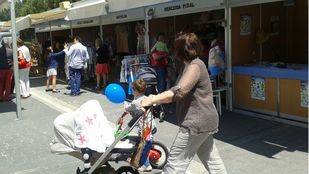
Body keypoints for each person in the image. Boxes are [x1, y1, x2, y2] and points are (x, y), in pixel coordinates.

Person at [141, 33, 227, 174]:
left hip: (195, 124)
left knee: (174, 164)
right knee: (212, 161)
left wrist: (152, 99)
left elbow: (178, 92)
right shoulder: (190, 65)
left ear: (179, 51)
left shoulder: (195, 66)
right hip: (205, 122)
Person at [124, 79, 156, 172]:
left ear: (135, 90)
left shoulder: (135, 102)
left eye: (133, 89)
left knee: (143, 146)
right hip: (151, 125)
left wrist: (124, 104)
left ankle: (146, 164)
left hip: (144, 129)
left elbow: (128, 108)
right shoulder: (146, 98)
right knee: (146, 145)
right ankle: (138, 159)